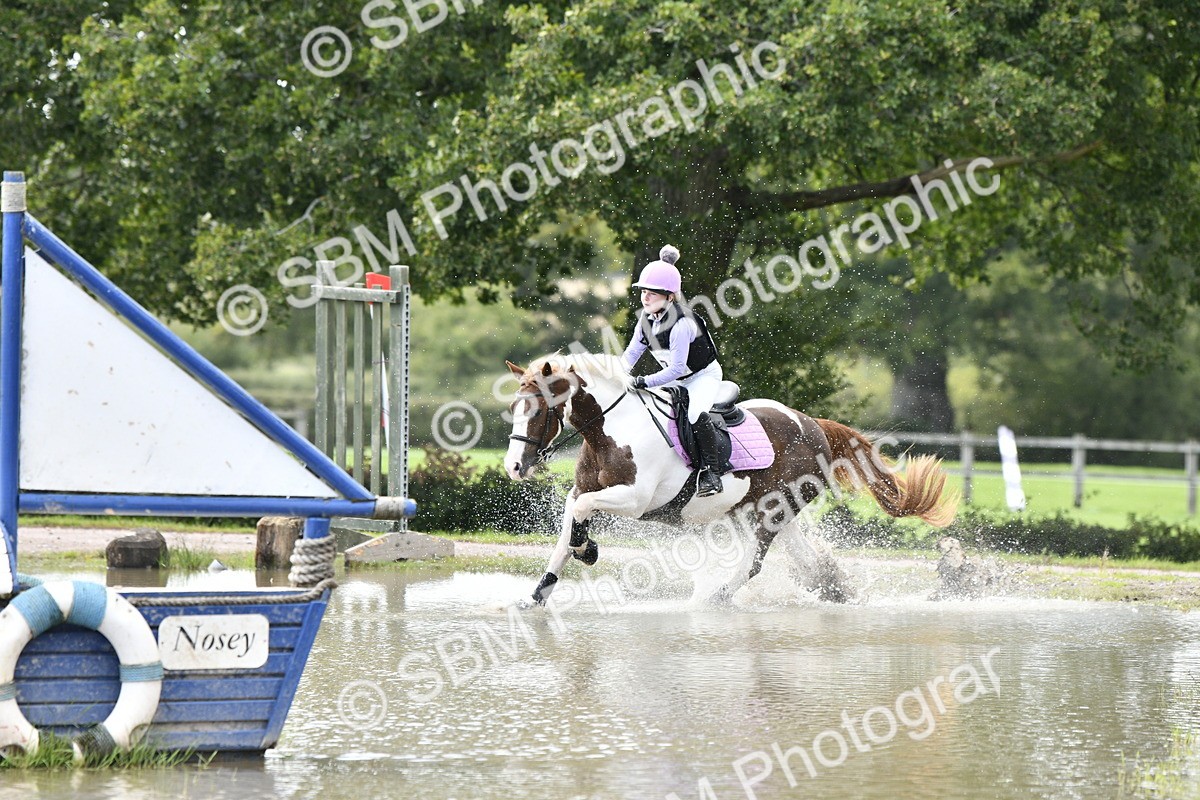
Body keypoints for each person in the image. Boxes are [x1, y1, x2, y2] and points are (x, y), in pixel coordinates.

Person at [621, 244, 727, 497]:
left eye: (652, 293)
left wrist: (644, 381)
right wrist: (618, 376)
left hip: (702, 377)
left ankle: (713, 473)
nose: (645, 298)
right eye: (644, 292)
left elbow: (678, 369)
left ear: (669, 296)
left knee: (694, 415)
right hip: (675, 378)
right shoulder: (645, 320)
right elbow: (631, 355)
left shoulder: (681, 323)